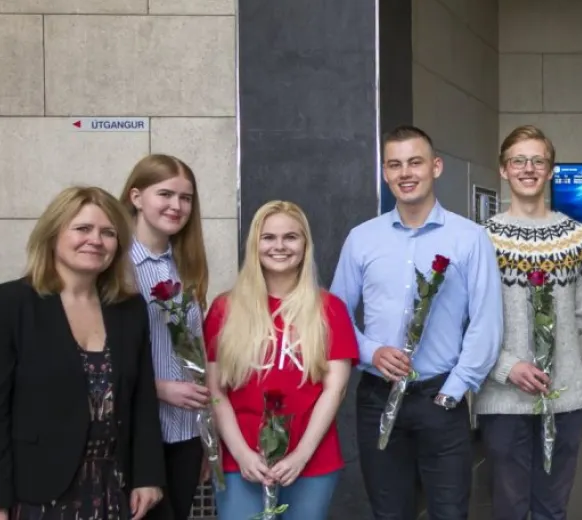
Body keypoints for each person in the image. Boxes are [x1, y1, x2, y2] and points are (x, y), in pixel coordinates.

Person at [331, 125, 504, 520]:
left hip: (441, 397)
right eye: (395, 165)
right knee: (389, 512)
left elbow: (486, 321)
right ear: (386, 173)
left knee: (449, 512)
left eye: (415, 162)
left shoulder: (470, 238)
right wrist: (371, 352)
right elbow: (335, 316)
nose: (405, 173)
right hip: (377, 396)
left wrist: (455, 388)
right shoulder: (362, 238)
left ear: (436, 167)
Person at [0, 186, 165, 519]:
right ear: (53, 234)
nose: (96, 240)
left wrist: (148, 476)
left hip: (112, 489)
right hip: (35, 492)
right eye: (83, 229)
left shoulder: (128, 309)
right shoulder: (11, 304)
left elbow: (142, 399)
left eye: (108, 233)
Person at [204, 201, 358, 519]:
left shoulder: (330, 309)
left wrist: (301, 456)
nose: (279, 246)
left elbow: (335, 390)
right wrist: (241, 453)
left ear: (305, 244)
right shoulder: (224, 309)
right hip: (241, 463)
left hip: (311, 463)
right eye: (268, 237)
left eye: (291, 237)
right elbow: (215, 391)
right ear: (255, 244)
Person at [475, 125, 582, 520]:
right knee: (508, 508)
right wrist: (509, 367)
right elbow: (466, 322)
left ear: (549, 171)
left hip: (563, 394)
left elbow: (580, 313)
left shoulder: (579, 238)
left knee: (552, 508)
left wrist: (549, 357)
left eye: (537, 161)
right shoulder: (480, 240)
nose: (528, 168)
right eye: (518, 160)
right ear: (503, 170)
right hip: (502, 398)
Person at [121, 154, 211, 520]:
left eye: (185, 197)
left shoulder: (187, 265)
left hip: (186, 433)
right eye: (165, 194)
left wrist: (208, 438)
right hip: (138, 433)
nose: (177, 206)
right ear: (136, 197)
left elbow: (197, 353)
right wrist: (158, 388)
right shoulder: (115, 265)